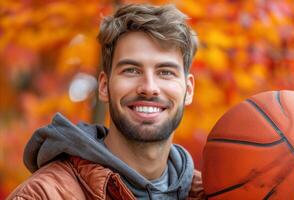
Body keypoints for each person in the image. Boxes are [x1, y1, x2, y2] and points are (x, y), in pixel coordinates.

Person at [7, 3, 205, 200]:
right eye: (131, 70)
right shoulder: (44, 195)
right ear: (104, 86)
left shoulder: (215, 192)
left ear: (188, 90)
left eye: (165, 72)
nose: (149, 87)